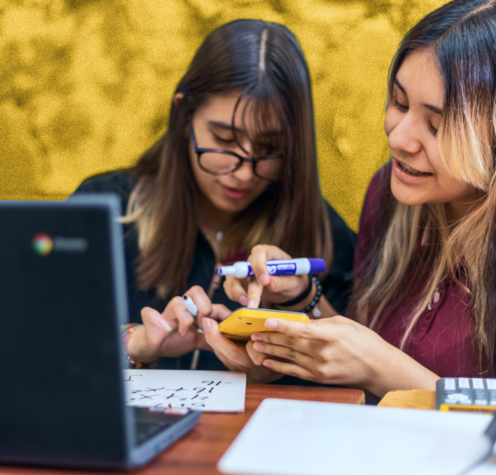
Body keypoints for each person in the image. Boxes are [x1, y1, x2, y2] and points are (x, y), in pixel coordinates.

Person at [218, 0, 496, 397]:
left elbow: (373, 362)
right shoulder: (390, 194)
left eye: (436, 126)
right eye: (399, 103)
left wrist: (382, 369)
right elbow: (357, 351)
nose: (398, 138)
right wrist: (302, 297)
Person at [76, 19, 356, 381]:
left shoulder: (327, 237)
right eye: (224, 139)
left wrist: (299, 309)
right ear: (185, 116)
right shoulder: (103, 210)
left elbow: (352, 384)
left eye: (270, 148)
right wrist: (132, 346)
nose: (242, 173)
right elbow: (37, 342)